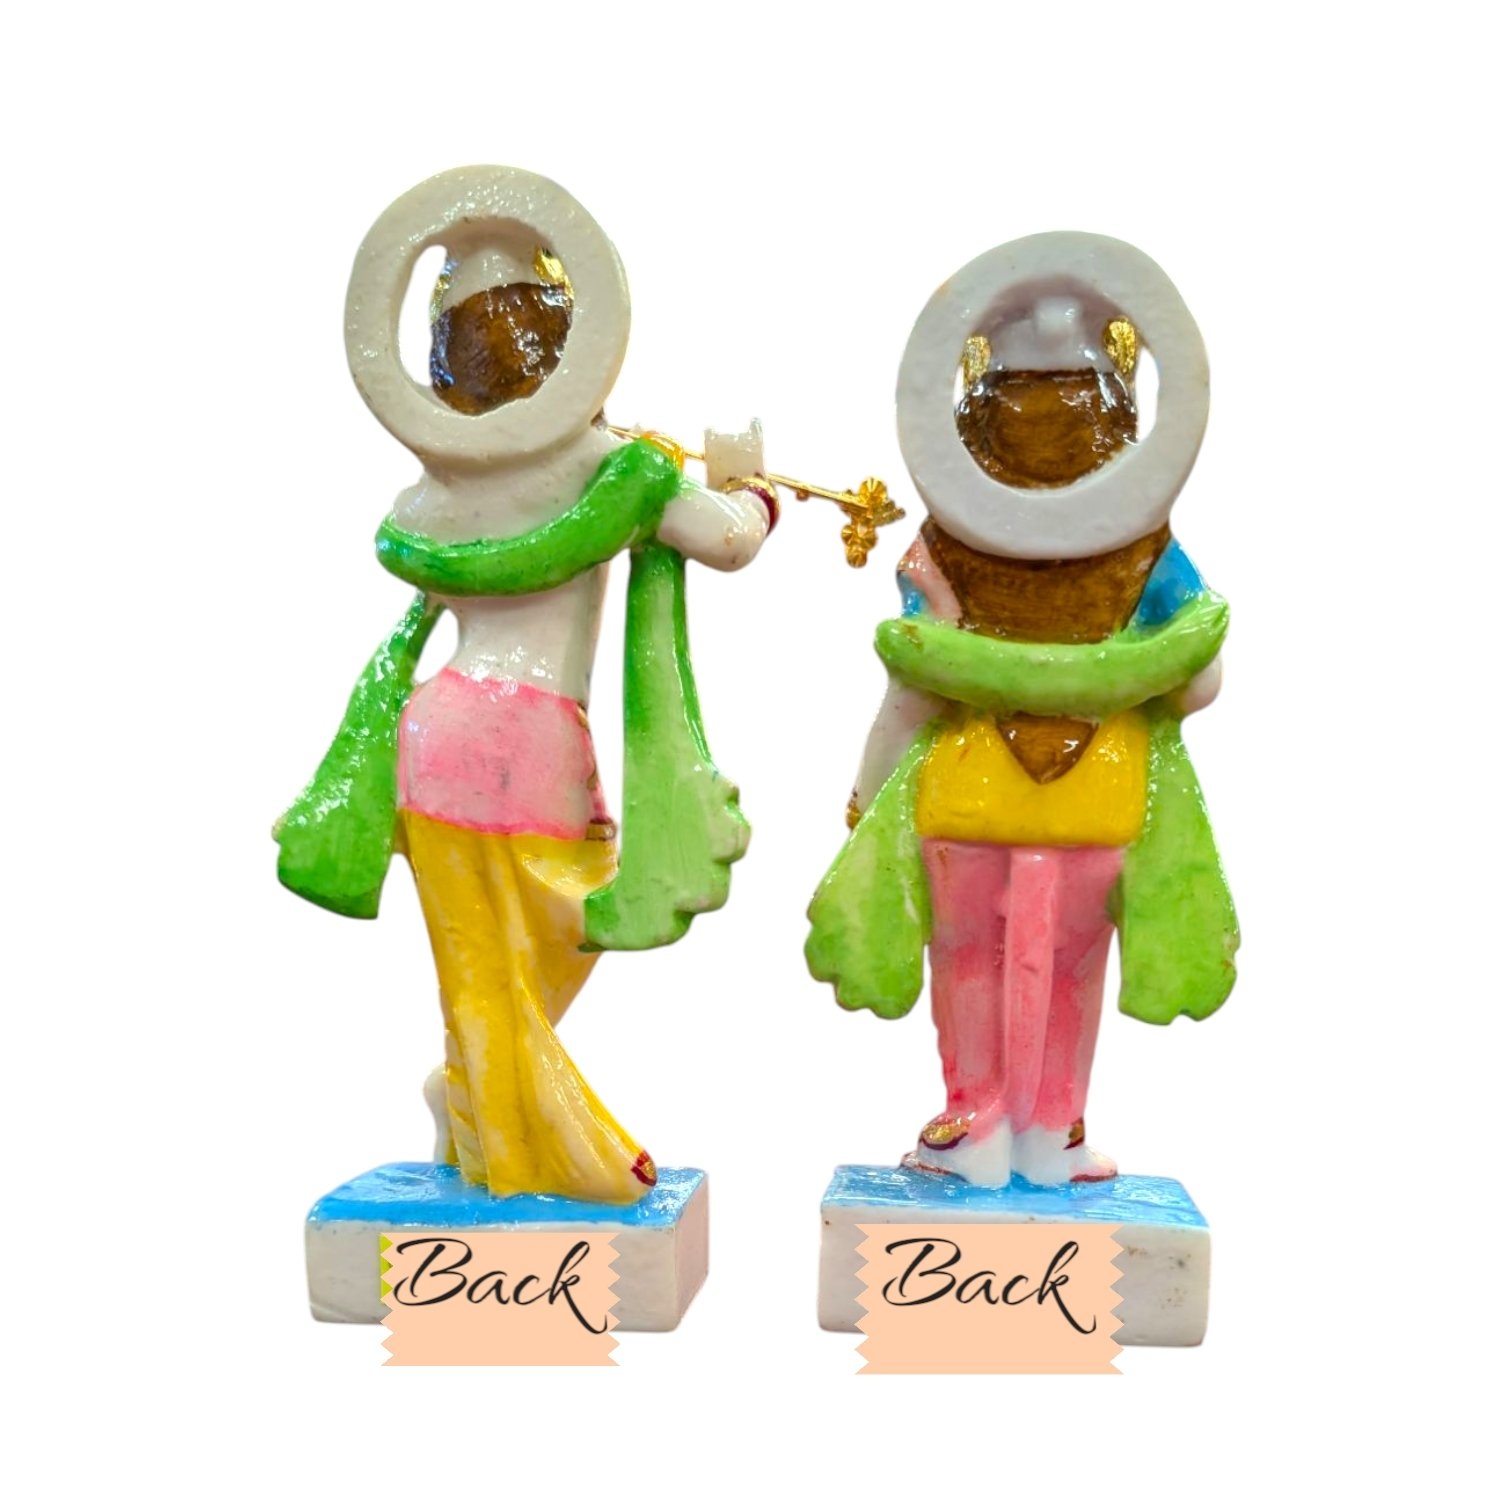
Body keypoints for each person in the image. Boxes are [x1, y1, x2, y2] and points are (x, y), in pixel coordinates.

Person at [277, 168, 774, 1204]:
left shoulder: (430, 496)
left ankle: (473, 1093)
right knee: (560, 927)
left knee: (481, 959)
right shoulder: (614, 467)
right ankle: (514, 1146)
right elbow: (727, 540)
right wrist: (751, 486)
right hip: (533, 736)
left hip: (437, 731)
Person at [807, 235, 1237, 1188]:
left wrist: (865, 791)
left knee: (971, 961)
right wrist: (1133, 670)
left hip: (969, 791)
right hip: (1096, 796)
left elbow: (912, 686)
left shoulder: (942, 553)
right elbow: (1199, 683)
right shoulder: (1149, 555)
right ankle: (1053, 1129)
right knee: (1070, 968)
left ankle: (978, 1120)